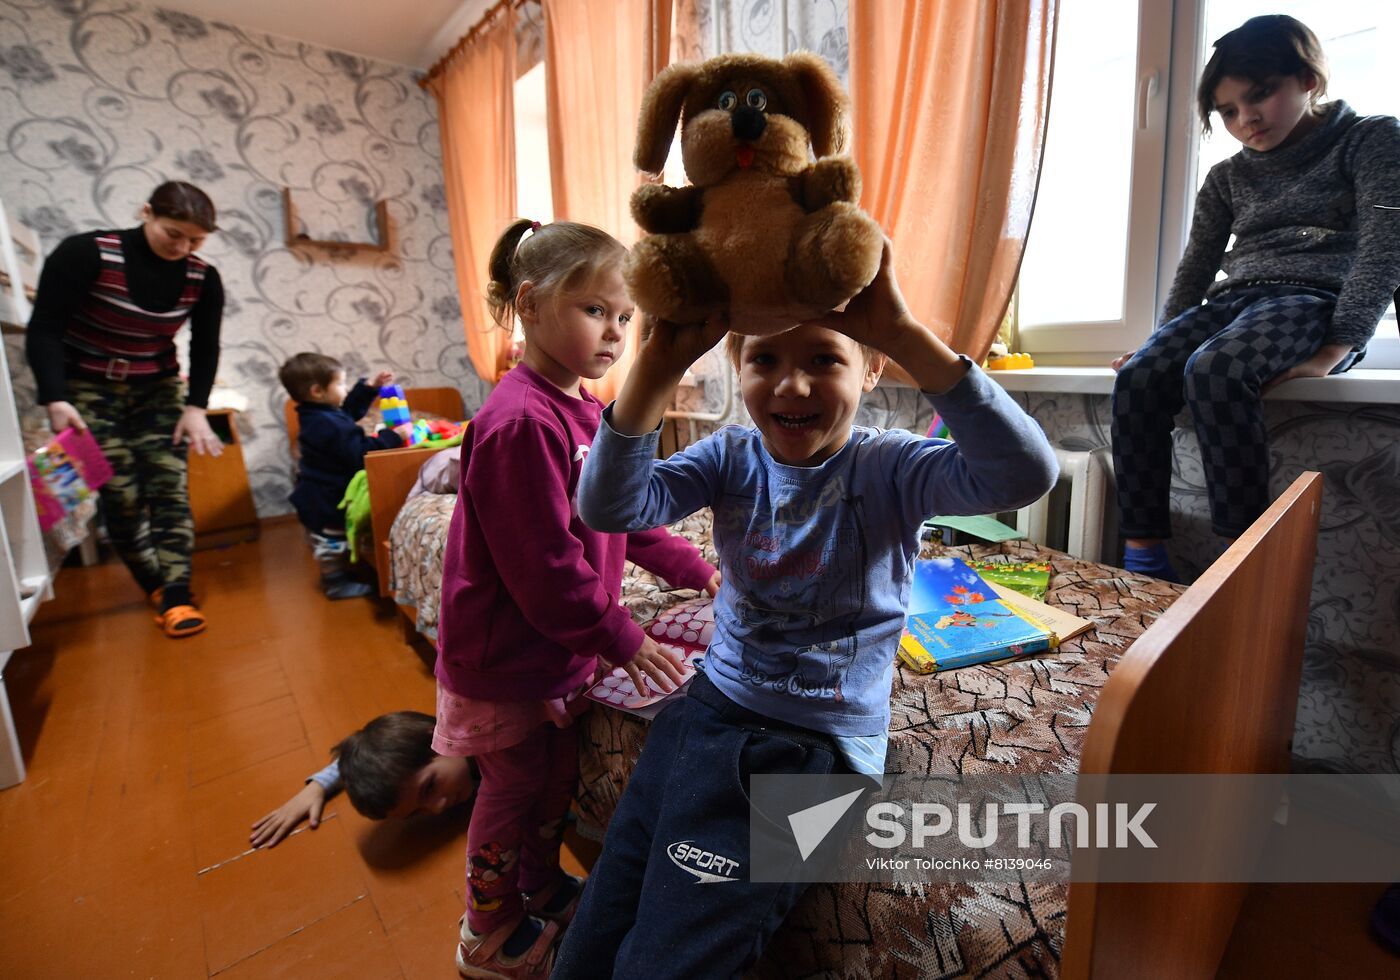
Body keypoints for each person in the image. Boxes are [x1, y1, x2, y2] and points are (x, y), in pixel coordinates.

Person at [554, 241, 1059, 978]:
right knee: (596, 927)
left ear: (872, 367)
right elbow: (608, 506)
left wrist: (906, 332)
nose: (792, 385)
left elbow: (1023, 472)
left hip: (820, 752)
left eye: (824, 358)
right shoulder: (728, 457)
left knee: (672, 959)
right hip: (706, 712)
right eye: (764, 361)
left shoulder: (892, 466)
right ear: (737, 368)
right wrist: (655, 372)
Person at [435, 219, 720, 978]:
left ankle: (538, 881)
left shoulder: (588, 410)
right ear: (529, 304)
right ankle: (485, 926)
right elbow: (544, 568)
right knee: (514, 783)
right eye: (596, 310)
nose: (616, 331)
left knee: (554, 774)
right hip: (502, 654)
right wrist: (622, 634)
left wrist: (692, 567)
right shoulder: (519, 421)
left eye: (626, 316)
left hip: (556, 650)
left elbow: (622, 515)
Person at [1110, 15, 1400, 582]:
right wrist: (1157, 343)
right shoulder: (1225, 177)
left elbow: (1386, 246)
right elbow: (1195, 270)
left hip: (1311, 298)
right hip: (1234, 299)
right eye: (1227, 111)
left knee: (1215, 371)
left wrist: (1339, 345)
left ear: (1308, 78)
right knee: (1139, 377)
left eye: (1260, 95)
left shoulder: (1370, 139)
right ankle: (1144, 558)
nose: (1246, 119)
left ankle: (1239, 567)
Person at [25, 181, 227, 637]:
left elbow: (206, 345)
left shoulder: (202, 277)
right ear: (146, 212)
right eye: (173, 233)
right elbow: (45, 330)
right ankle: (154, 584)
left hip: (156, 389)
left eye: (195, 240)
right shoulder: (86, 254)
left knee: (169, 490)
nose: (183, 247)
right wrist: (55, 398)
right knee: (121, 495)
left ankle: (177, 595)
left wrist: (196, 407)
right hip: (87, 389)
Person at [278, 352, 413, 599]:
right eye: (340, 384)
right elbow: (359, 452)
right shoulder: (326, 423)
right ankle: (335, 582)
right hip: (326, 497)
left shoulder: (318, 414)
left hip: (320, 490)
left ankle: (339, 574)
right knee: (331, 542)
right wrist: (394, 437)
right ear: (317, 391)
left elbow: (347, 412)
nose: (346, 388)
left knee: (332, 539)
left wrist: (369, 388)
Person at [249, 710, 478, 849]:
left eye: (429, 788)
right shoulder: (436, 756)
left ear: (436, 737)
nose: (438, 808)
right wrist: (319, 784)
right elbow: (371, 751)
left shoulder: (481, 727)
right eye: (417, 813)